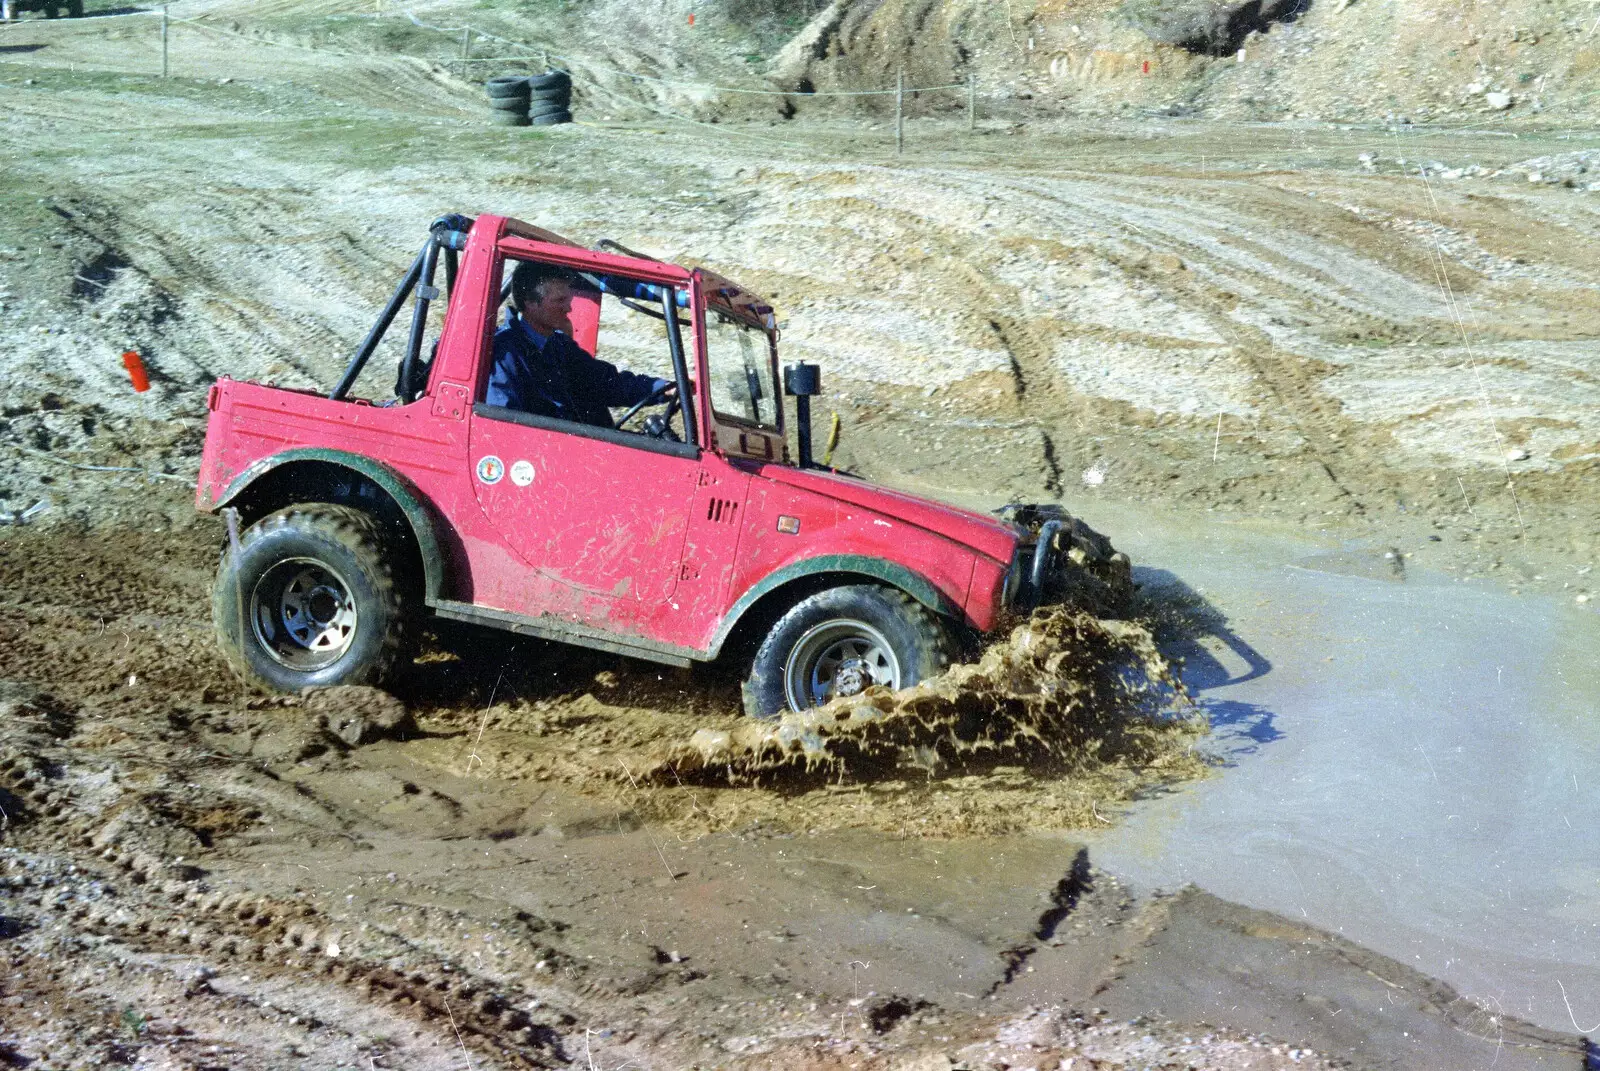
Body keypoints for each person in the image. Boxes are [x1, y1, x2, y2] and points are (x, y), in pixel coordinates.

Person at [486, 261, 673, 429]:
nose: (569, 308)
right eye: (560, 300)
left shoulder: (558, 345)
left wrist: (664, 388)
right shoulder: (504, 354)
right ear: (530, 303)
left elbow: (607, 383)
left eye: (568, 299)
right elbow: (501, 426)